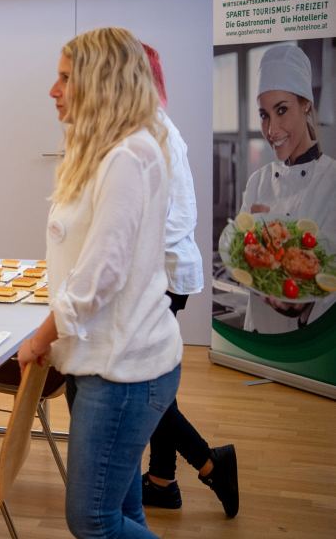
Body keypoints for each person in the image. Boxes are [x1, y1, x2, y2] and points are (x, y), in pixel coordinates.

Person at [18, 27, 183, 538]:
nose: (53, 89)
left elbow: (99, 278)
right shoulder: (111, 151)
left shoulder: (126, 158)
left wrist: (40, 337)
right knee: (122, 513)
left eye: (65, 77)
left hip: (123, 370)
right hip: (102, 359)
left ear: (101, 82)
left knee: (92, 519)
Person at [140, 43, 239, 518]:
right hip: (164, 273)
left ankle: (208, 462)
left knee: (149, 386)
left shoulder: (152, 133)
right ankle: (162, 481)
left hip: (159, 276)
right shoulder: (153, 127)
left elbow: (168, 223)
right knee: (158, 379)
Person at [238, 44, 336, 333]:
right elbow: (239, 258)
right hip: (256, 335)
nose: (272, 130)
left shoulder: (332, 180)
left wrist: (305, 300)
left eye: (282, 110)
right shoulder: (257, 181)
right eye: (265, 114)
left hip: (308, 347)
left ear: (305, 104)